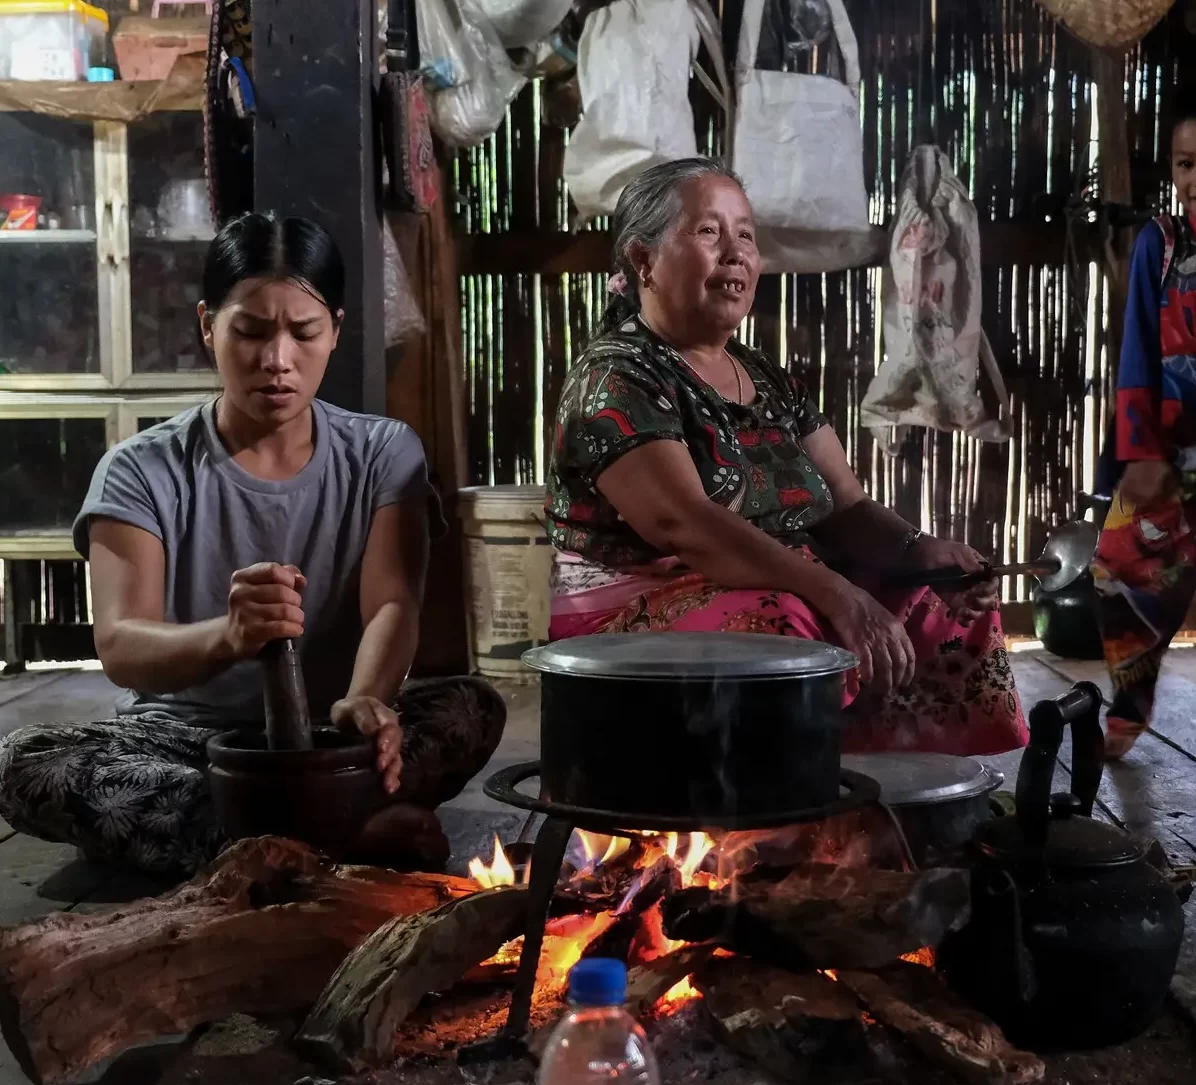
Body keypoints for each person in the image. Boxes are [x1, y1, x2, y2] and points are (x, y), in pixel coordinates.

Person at [0, 212, 506, 876]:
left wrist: (367, 699)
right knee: (24, 762)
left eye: (304, 332)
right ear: (208, 325)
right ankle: (337, 835)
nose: (278, 360)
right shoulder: (140, 470)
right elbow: (122, 647)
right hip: (185, 743)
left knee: (471, 706)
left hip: (333, 736)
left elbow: (393, 603)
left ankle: (260, 840)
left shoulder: (384, 453)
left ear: (336, 332)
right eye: (251, 331)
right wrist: (228, 636)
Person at [545, 158, 1027, 755]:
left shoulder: (767, 379)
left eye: (744, 234)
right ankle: (766, 820)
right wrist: (836, 592)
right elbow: (685, 524)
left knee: (937, 596)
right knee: (783, 632)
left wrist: (917, 551)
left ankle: (893, 792)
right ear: (643, 261)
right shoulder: (617, 376)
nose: (735, 253)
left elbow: (846, 507)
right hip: (633, 610)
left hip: (777, 581)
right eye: (707, 232)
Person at [1091, 91, 1196, 760]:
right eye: (1187, 164)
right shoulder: (1160, 244)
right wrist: (1140, 448)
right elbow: (1137, 350)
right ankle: (1129, 713)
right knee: (1119, 568)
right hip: (1171, 451)